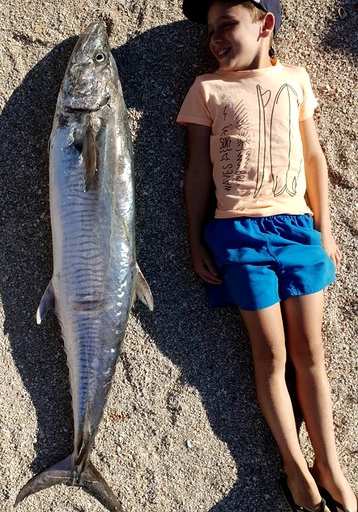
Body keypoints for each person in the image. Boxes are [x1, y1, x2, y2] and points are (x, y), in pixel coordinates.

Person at [177, 1, 357, 511]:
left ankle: (331, 467)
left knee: (311, 355)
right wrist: (195, 240)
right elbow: (197, 175)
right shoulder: (207, 89)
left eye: (226, 25)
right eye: (211, 30)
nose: (215, 38)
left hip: (299, 229)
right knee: (271, 355)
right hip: (237, 235)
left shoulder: (296, 80)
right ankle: (295, 467)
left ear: (265, 25)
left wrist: (325, 226)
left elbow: (315, 154)